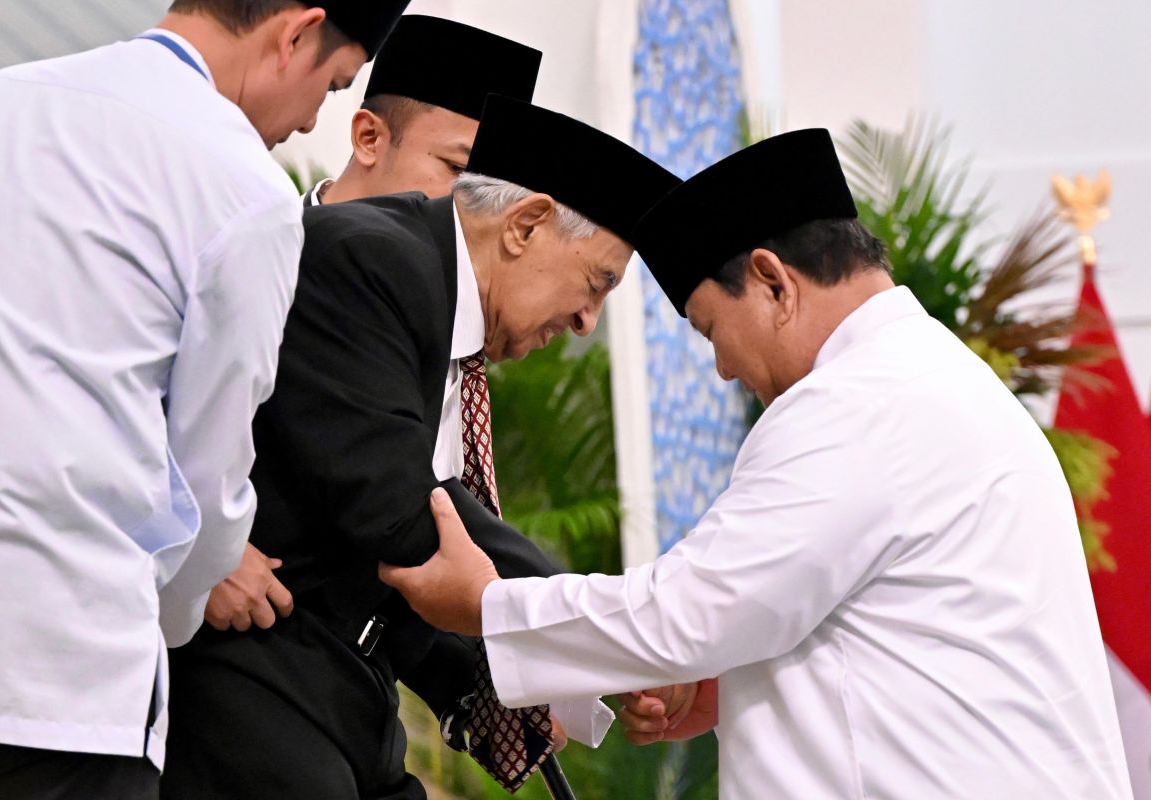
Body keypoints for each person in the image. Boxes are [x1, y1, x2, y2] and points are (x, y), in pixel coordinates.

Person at [381, 129, 1136, 799]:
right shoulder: (932, 378)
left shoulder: (854, 401)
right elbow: (885, 625)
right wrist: (740, 678)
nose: (723, 369)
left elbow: (688, 613)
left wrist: (488, 606)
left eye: (712, 330)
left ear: (774, 282)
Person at [163, 94, 680, 800]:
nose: (588, 321)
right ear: (525, 225)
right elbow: (401, 512)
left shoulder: (443, 308)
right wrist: (608, 636)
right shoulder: (372, 259)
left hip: (352, 697)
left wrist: (540, 678)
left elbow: (409, 558)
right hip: (256, 680)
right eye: (597, 283)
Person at [0, 1, 408, 797]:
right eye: (333, 87)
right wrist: (180, 610)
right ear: (296, 33)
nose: (310, 123)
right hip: (60, 676)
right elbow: (209, 477)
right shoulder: (244, 190)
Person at [205, 11, 542, 642]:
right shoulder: (244, 239)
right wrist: (196, 543)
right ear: (368, 138)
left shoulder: (454, 330)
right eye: (457, 174)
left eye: (492, 194)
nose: (472, 211)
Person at [300, 13, 543, 207]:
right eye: (457, 168)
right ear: (369, 138)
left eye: (490, 186)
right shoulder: (283, 237)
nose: (474, 203)